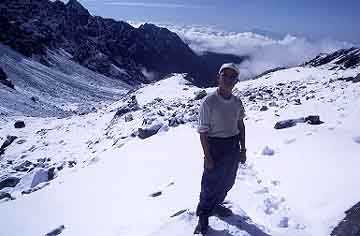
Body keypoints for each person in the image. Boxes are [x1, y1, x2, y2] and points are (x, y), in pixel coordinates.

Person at [195, 63, 247, 235]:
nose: (228, 79)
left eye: (232, 77)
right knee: (209, 184)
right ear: (218, 77)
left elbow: (240, 125)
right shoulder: (208, 101)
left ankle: (216, 205)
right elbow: (203, 132)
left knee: (227, 181)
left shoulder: (237, 102)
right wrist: (208, 157)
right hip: (215, 146)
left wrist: (243, 149)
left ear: (236, 81)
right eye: (225, 75)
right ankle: (203, 214)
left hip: (232, 146)